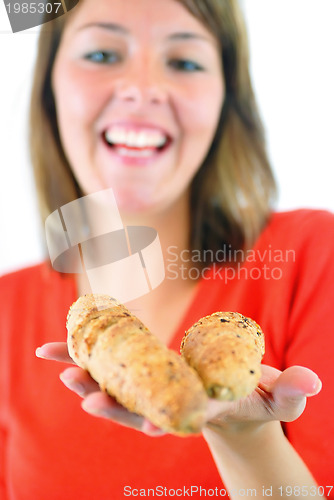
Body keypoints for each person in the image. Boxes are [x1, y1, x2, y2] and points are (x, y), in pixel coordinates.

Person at [1, 0, 334, 498]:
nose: (142, 88)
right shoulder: (6, 308)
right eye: (101, 54)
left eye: (183, 62)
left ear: (227, 100)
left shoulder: (314, 257)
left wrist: (246, 435)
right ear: (49, 88)